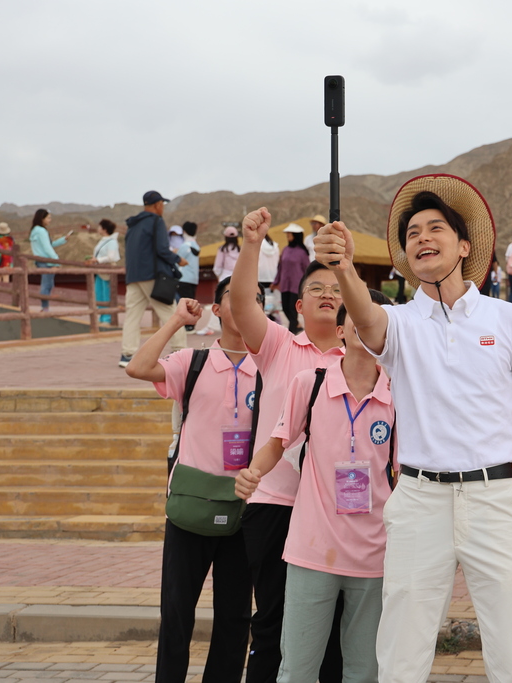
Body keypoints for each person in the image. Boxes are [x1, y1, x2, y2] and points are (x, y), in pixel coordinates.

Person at [312, 174, 512, 682]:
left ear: (464, 246)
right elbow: (367, 322)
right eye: (412, 233)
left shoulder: (509, 320)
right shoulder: (400, 322)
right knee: (401, 654)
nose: (422, 238)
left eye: (435, 228)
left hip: (495, 498)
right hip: (419, 499)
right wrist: (344, 267)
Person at [235, 289, 394, 683]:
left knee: (363, 670)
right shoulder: (310, 383)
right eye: (356, 314)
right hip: (311, 551)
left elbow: (404, 472)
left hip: (374, 557)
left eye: (374, 315)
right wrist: (252, 473)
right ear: (341, 330)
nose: (365, 320)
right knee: (298, 669)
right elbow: (275, 443)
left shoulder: (398, 395)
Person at [125, 279, 263, 683]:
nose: (243, 304)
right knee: (177, 613)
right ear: (216, 310)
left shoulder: (271, 367)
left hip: (245, 508)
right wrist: (175, 322)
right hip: (191, 506)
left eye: (253, 299)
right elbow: (138, 367)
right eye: (233, 298)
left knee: (236, 617)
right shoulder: (194, 362)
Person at [232, 210, 347, 683]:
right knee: (274, 619)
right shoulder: (278, 346)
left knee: (336, 626)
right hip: (276, 503)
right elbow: (241, 307)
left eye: (337, 291)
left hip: (338, 511)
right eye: (317, 290)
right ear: (298, 307)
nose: (327, 296)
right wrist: (251, 244)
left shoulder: (362, 361)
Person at [120, 192, 186, 368]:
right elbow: (162, 249)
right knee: (173, 314)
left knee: (132, 316)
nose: (163, 207)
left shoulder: (132, 225)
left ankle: (127, 355)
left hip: (133, 277)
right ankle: (180, 351)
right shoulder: (156, 221)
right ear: (157, 205)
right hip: (152, 275)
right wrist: (178, 260)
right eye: (162, 204)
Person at [29, 208, 71, 312]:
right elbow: (47, 248)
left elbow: (48, 245)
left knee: (47, 283)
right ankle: (45, 307)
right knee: (47, 284)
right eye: (48, 217)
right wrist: (56, 260)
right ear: (42, 218)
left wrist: (62, 240)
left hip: (40, 260)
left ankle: (45, 306)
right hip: (46, 261)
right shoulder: (42, 231)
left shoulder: (35, 230)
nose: (50, 220)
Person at [274, 224, 311, 333]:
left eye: (290, 234)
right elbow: (280, 267)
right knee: (285, 307)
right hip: (285, 284)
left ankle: (292, 332)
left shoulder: (302, 253)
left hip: (296, 285)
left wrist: (308, 284)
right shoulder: (285, 250)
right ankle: (297, 326)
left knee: (292, 308)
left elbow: (307, 269)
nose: (288, 236)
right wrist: (276, 281)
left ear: (296, 235)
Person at [87, 219, 121, 324]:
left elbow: (111, 257)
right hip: (100, 270)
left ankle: (107, 317)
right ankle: (101, 316)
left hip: (107, 271)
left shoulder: (112, 242)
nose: (98, 229)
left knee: (107, 294)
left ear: (104, 229)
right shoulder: (103, 240)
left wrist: (98, 260)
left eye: (100, 227)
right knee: (99, 293)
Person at [175, 223, 201, 331]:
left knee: (184, 303)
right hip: (194, 278)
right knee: (192, 303)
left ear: (184, 232)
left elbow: (177, 261)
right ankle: (191, 325)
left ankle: (186, 326)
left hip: (183, 278)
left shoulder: (184, 246)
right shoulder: (196, 246)